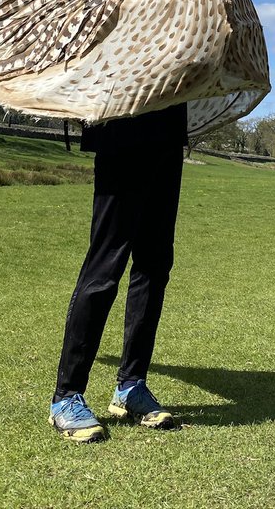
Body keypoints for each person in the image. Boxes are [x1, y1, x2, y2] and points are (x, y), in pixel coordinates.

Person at [49, 102, 188, 442]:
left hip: (168, 127)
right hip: (120, 123)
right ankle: (66, 397)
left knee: (155, 266)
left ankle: (130, 387)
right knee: (106, 264)